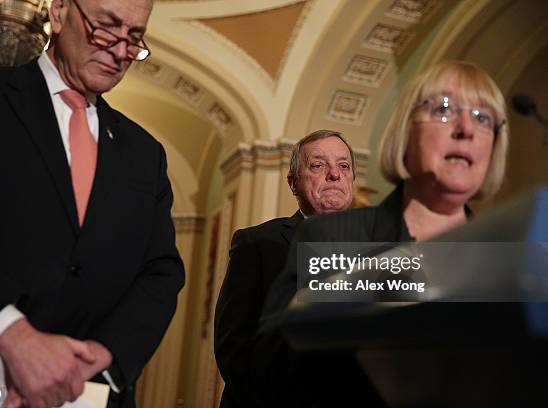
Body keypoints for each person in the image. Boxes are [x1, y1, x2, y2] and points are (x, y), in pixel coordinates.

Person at [0, 0, 184, 407]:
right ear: (58, 13)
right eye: (105, 28)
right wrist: (11, 334)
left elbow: (160, 272)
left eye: (135, 38)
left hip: (87, 393)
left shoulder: (146, 153)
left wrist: (98, 359)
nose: (121, 52)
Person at [262, 60, 508, 317]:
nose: (467, 128)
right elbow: (276, 351)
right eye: (443, 109)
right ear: (405, 131)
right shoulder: (330, 239)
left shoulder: (505, 259)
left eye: (483, 117)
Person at [215, 130, 386, 407]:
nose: (335, 174)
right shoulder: (257, 243)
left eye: (344, 166)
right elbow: (234, 346)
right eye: (319, 165)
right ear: (293, 183)